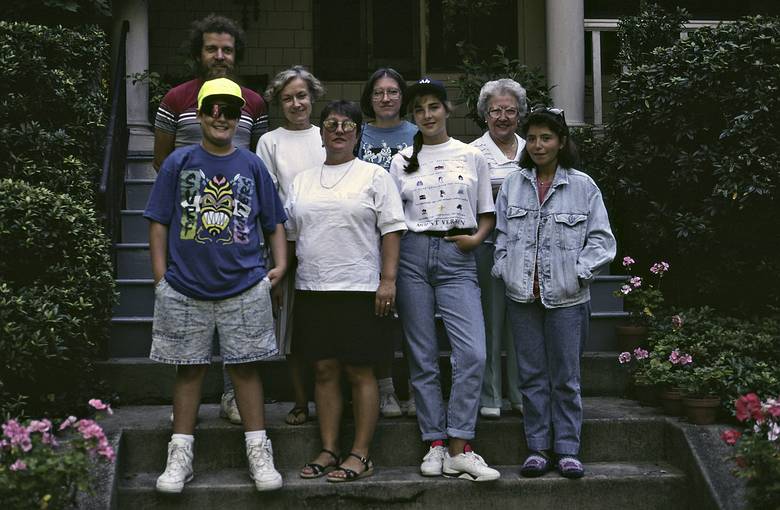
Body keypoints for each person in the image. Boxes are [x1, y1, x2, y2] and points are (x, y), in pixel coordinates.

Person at [145, 78, 288, 493]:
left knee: (245, 370)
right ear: (201, 115)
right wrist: (160, 279)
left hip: (243, 285)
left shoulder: (251, 164)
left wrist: (278, 266)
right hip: (185, 287)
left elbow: (273, 220)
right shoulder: (179, 162)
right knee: (188, 372)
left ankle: (258, 451)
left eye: (230, 109)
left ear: (241, 116)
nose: (221, 117)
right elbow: (158, 222)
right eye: (213, 109)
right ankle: (180, 455)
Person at [152, 14, 269, 424]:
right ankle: (187, 409)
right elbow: (160, 158)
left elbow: (257, 158)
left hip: (238, 222)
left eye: (227, 50)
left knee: (236, 308)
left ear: (236, 56)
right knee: (193, 317)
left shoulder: (253, 102)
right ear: (198, 53)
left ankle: (232, 395)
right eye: (211, 49)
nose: (219, 56)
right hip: (189, 223)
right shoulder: (175, 99)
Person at [491, 106, 616, 479]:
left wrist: (580, 273)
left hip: (567, 297)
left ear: (561, 141)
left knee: (565, 376)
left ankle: (567, 449)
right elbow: (499, 236)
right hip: (521, 297)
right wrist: (504, 267)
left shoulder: (582, 186)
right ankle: (537, 448)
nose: (538, 144)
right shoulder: (513, 184)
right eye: (531, 138)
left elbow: (602, 241)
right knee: (531, 375)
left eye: (546, 137)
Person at [286, 100, 406, 482]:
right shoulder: (302, 180)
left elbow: (391, 230)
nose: (339, 130)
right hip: (312, 288)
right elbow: (290, 238)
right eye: (331, 124)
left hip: (360, 288)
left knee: (359, 370)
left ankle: (360, 453)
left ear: (358, 133)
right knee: (323, 369)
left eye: (347, 125)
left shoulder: (373, 176)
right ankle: (328, 448)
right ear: (321, 132)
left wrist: (387, 281)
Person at [389, 78, 500, 482]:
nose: (427, 115)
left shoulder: (471, 156)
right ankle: (435, 442)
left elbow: (487, 212)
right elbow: (390, 219)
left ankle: (460, 445)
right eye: (419, 110)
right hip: (413, 255)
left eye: (434, 107)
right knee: (421, 355)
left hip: (458, 256)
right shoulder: (401, 160)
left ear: (446, 109)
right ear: (413, 116)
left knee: (473, 353)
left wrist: (474, 239)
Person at [255, 66, 326, 426]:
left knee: (327, 328)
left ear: (312, 96)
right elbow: (269, 202)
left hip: (331, 246)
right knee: (292, 330)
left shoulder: (327, 134)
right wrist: (281, 256)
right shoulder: (269, 142)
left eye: (302, 96)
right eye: (288, 98)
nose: (296, 103)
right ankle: (300, 402)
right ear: (278, 103)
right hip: (289, 246)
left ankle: (331, 401)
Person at [358, 68, 418, 418]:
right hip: (367, 239)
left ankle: (412, 387)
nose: (385, 98)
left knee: (412, 316)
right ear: (370, 97)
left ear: (402, 97)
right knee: (378, 318)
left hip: (409, 236)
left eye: (393, 92)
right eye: (379, 92)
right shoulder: (358, 133)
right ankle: (384, 388)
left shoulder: (416, 134)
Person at [469, 79, 527, 419]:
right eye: (496, 111)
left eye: (510, 110)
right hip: (488, 244)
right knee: (490, 319)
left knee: (521, 321)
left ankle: (520, 394)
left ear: (519, 114)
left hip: (527, 247)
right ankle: (490, 395)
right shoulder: (473, 152)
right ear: (484, 115)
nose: (502, 117)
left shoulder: (531, 147)